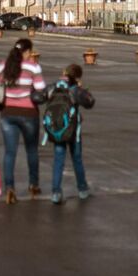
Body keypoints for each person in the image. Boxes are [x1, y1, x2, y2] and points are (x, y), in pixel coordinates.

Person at [0, 37, 47, 204]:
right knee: (31, 150)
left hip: (7, 113)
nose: (31, 55)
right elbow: (41, 89)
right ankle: (33, 184)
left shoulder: (3, 65)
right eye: (30, 52)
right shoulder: (33, 67)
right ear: (26, 52)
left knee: (10, 152)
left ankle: (10, 188)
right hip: (29, 113)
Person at [42, 62, 97, 204]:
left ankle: (55, 192)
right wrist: (82, 89)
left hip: (58, 129)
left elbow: (39, 96)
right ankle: (82, 189)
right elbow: (90, 102)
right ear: (77, 77)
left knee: (58, 160)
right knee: (77, 159)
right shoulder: (75, 90)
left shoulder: (55, 87)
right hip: (74, 131)